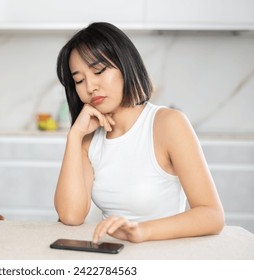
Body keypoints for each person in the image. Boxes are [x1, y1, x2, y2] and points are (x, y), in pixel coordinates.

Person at [54, 22, 224, 243]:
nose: (90, 87)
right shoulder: (88, 140)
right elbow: (70, 216)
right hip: (113, 257)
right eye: (79, 80)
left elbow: (212, 215)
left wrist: (141, 231)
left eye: (98, 71)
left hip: (164, 255)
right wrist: (74, 137)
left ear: (126, 64)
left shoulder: (168, 124)